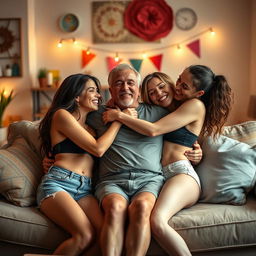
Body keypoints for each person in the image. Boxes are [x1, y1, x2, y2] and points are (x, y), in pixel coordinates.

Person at [102, 66, 233, 256]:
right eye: (179, 80)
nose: (177, 88)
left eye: (183, 86)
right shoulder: (162, 112)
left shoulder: (194, 105)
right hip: (163, 176)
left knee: (157, 221)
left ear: (199, 93)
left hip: (181, 173)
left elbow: (153, 130)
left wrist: (119, 116)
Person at [37, 73, 126, 256]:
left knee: (106, 236)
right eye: (92, 90)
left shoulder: (91, 127)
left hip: (85, 189)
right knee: (84, 235)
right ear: (76, 96)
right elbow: (98, 149)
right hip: (58, 184)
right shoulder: (62, 115)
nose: (98, 95)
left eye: (98, 91)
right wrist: (119, 120)